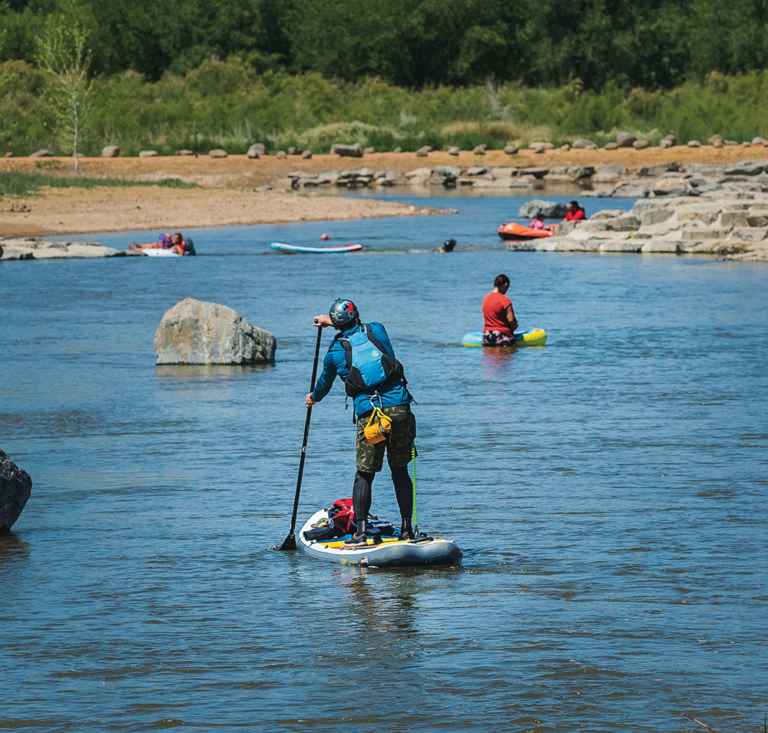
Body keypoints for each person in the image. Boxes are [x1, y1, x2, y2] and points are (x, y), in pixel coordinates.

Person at [306, 299, 417, 546]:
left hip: (371, 417)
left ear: (336, 325)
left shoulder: (334, 352)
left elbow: (323, 386)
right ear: (357, 315)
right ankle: (407, 530)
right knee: (399, 470)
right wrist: (334, 321)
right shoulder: (377, 329)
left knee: (364, 474)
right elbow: (361, 331)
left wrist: (312, 398)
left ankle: (360, 534)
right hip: (399, 408)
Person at [482, 274, 519, 347]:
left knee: (489, 357)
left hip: (487, 335)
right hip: (502, 335)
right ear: (506, 285)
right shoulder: (505, 299)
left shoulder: (485, 298)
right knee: (505, 357)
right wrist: (515, 325)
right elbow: (511, 320)